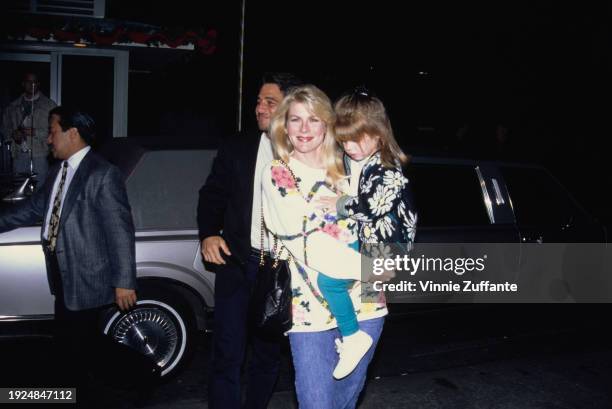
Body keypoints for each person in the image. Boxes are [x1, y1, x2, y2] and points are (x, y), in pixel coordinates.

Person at [262, 85, 393, 409]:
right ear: (284, 125)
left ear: (328, 124)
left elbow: (381, 218)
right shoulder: (279, 173)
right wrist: (371, 267)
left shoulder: (351, 167)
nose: (304, 129)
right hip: (310, 310)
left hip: (365, 304)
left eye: (314, 120)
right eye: (295, 120)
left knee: (347, 399)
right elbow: (307, 243)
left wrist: (385, 257)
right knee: (317, 403)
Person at [0, 106, 137, 405]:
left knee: (78, 348)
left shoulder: (102, 173)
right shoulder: (58, 171)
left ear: (72, 133)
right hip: (61, 273)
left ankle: (112, 386)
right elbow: (36, 208)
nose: (49, 140)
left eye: (52, 131)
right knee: (74, 343)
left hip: (87, 275)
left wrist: (124, 281)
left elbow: (120, 230)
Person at [197, 72, 302, 409]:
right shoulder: (237, 146)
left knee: (267, 354)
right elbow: (212, 194)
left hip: (280, 272)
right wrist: (208, 233)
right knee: (227, 352)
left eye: (269, 102)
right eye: (258, 101)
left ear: (290, 106)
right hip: (238, 264)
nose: (259, 108)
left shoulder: (306, 150)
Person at [1, 72, 57, 186]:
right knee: (19, 190)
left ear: (38, 84)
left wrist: (35, 132)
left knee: (40, 189)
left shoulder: (49, 105)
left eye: (35, 82)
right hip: (19, 154)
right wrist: (13, 135)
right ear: (23, 84)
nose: (32, 85)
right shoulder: (13, 106)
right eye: (28, 82)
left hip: (39, 154)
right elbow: (4, 128)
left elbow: (56, 131)